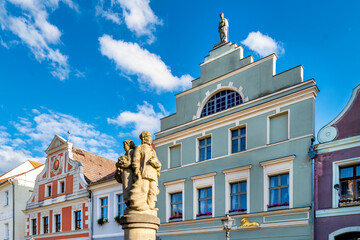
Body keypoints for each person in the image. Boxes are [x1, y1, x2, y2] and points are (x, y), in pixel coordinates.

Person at [129, 131, 161, 211]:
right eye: (148, 137)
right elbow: (135, 160)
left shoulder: (153, 150)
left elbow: (158, 163)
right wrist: (137, 171)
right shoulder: (139, 147)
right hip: (144, 172)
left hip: (153, 173)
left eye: (150, 138)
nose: (150, 139)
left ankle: (151, 206)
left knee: (153, 191)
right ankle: (143, 206)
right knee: (144, 190)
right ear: (143, 138)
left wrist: (156, 163)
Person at [115, 140, 135, 207]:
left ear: (129, 145)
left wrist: (122, 164)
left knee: (128, 187)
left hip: (129, 173)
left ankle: (129, 201)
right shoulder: (126, 153)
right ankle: (127, 202)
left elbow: (131, 163)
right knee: (125, 188)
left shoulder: (131, 152)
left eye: (125, 145)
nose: (123, 147)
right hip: (125, 173)